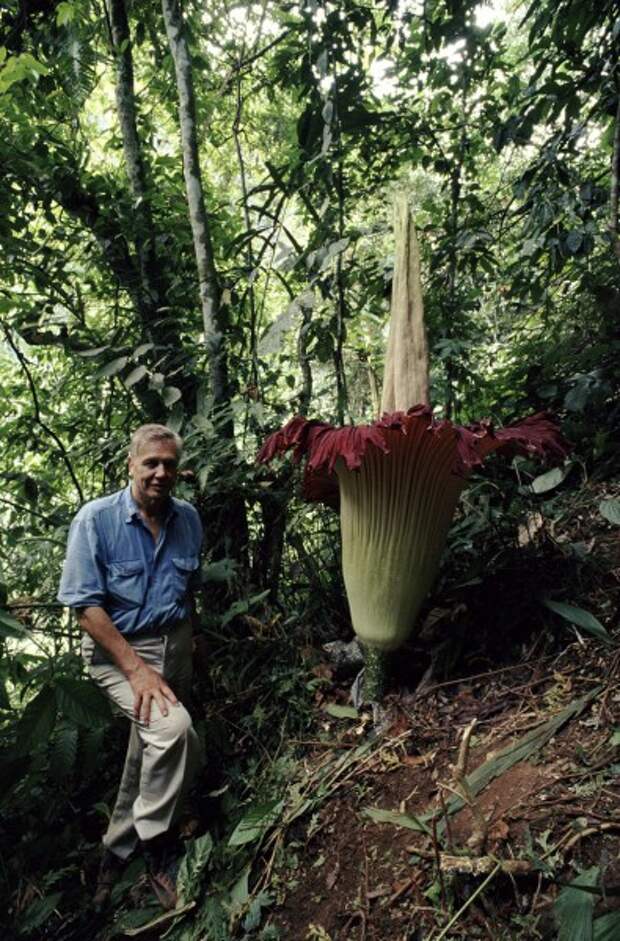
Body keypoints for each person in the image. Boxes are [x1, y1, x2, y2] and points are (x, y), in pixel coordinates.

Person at [58, 424, 203, 911]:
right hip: (119, 655)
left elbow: (187, 589)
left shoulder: (189, 519)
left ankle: (113, 852)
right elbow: (85, 608)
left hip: (176, 646)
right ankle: (155, 847)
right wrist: (139, 669)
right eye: (151, 463)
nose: (161, 473)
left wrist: (184, 646)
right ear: (131, 466)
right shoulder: (96, 520)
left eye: (169, 464)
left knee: (151, 746)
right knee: (176, 731)